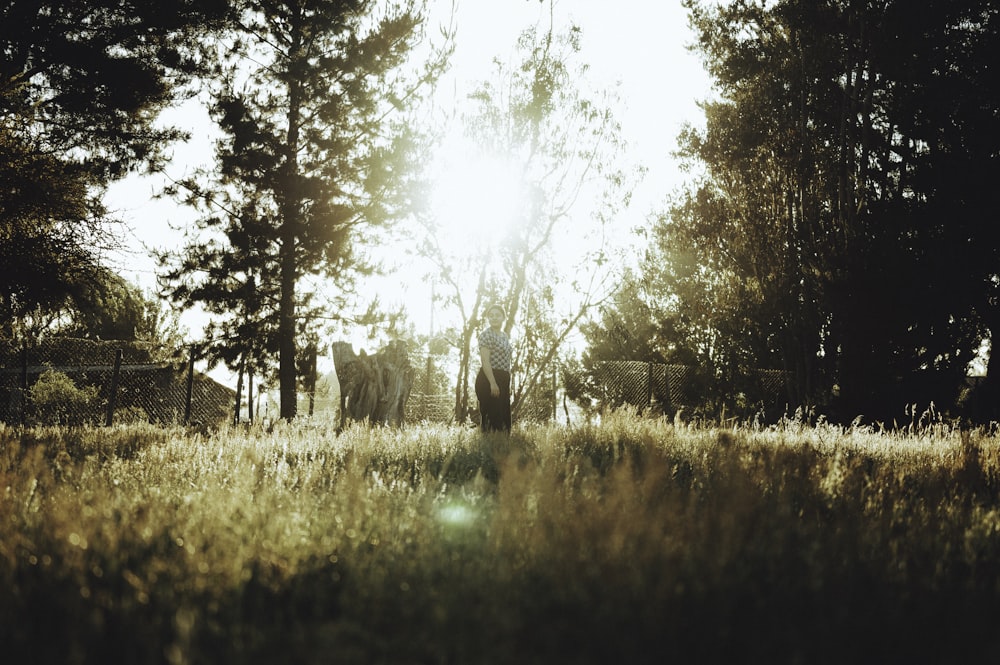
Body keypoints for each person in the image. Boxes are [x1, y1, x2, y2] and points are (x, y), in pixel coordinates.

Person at [475, 303, 512, 432]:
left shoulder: (505, 336)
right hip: (489, 378)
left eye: (497, 315)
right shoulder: (486, 335)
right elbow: (485, 361)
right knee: (492, 418)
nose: (494, 318)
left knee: (504, 417)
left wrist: (506, 381)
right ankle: (487, 448)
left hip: (503, 378)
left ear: (503, 317)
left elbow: (506, 360)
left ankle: (502, 448)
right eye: (491, 316)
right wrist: (492, 383)